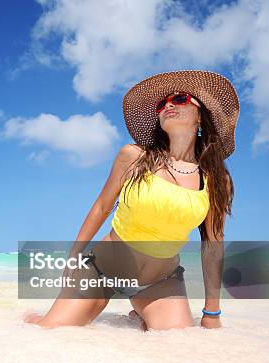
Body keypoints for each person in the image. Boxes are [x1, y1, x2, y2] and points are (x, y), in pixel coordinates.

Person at [24, 70, 239, 331]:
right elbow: (102, 207)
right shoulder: (133, 157)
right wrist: (73, 257)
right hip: (102, 272)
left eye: (180, 99)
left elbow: (213, 244)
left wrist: (212, 311)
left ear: (200, 116)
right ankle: (36, 316)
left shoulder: (215, 180)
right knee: (50, 332)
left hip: (160, 282)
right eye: (162, 104)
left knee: (180, 347)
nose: (168, 105)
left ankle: (141, 314)